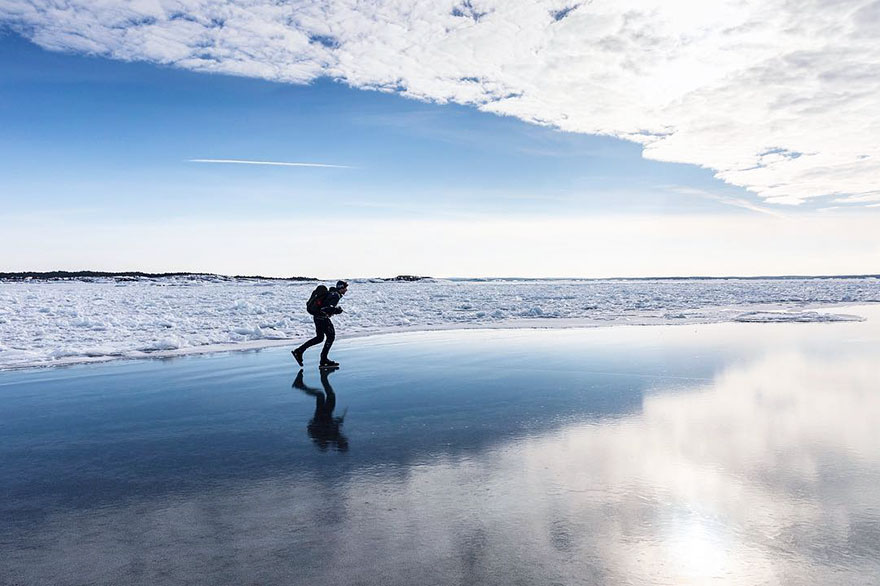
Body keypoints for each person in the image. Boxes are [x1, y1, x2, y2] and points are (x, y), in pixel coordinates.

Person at [292, 280, 348, 368]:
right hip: (322, 318)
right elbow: (326, 308)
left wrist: (334, 309)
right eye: (345, 288)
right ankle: (323, 360)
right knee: (331, 336)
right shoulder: (335, 295)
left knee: (319, 338)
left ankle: (299, 351)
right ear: (341, 288)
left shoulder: (332, 293)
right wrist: (337, 310)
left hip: (317, 317)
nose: (346, 290)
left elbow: (325, 305)